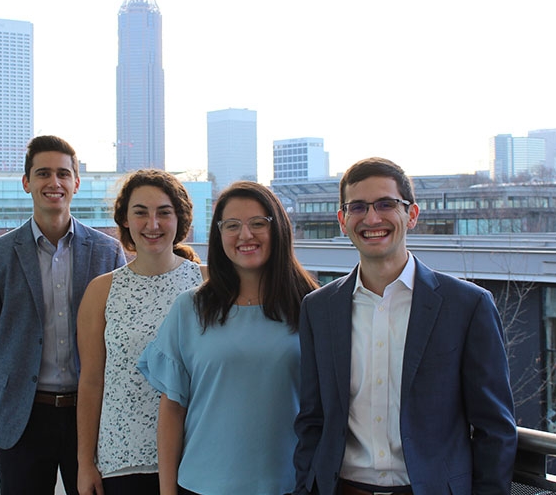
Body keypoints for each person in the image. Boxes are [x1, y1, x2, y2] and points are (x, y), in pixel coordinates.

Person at [293, 157, 517, 495]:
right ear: (342, 220)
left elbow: (494, 428)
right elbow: (312, 418)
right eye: (358, 207)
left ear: (411, 214)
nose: (372, 218)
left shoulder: (468, 306)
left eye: (386, 204)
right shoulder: (318, 309)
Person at [0, 135, 126, 495]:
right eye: (43, 174)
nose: (54, 183)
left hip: (90, 418)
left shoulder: (107, 252)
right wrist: (8, 403)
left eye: (64, 174)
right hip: (25, 420)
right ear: (27, 183)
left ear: (76, 183)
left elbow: (120, 336)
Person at [139, 181, 319, 495]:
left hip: (291, 485)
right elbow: (171, 411)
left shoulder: (312, 306)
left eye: (258, 224)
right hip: (201, 484)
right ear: (219, 234)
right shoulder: (189, 308)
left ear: (278, 229)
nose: (245, 235)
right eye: (232, 225)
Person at [77, 169, 207, 495]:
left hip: (194, 457)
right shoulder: (102, 291)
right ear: (125, 221)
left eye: (164, 213)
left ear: (180, 220)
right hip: (122, 461)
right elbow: (92, 381)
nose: (153, 224)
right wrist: (84, 462)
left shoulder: (207, 284)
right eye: (141, 213)